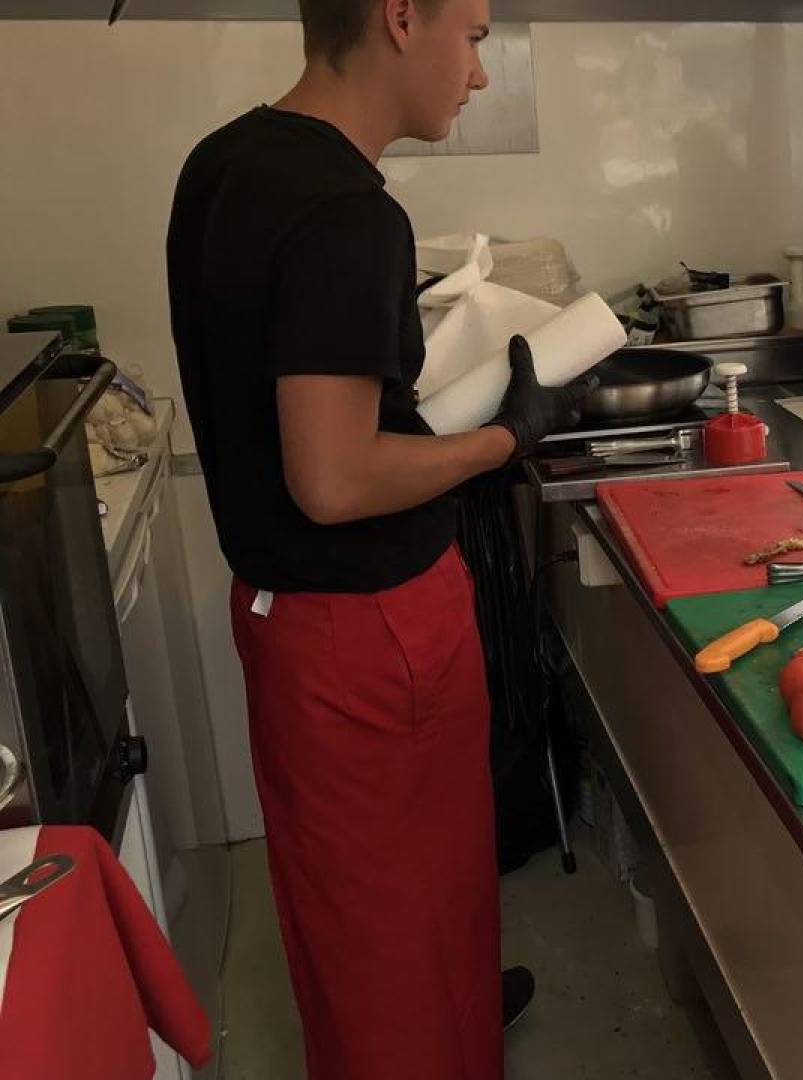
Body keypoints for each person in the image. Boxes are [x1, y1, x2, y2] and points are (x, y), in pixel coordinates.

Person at [164, 1, 580, 1075]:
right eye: (474, 35)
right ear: (400, 16)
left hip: (284, 618)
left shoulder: (223, 163)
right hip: (372, 633)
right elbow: (336, 478)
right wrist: (502, 438)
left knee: (355, 910)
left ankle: (455, 1008)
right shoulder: (349, 212)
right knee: (399, 924)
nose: (479, 73)